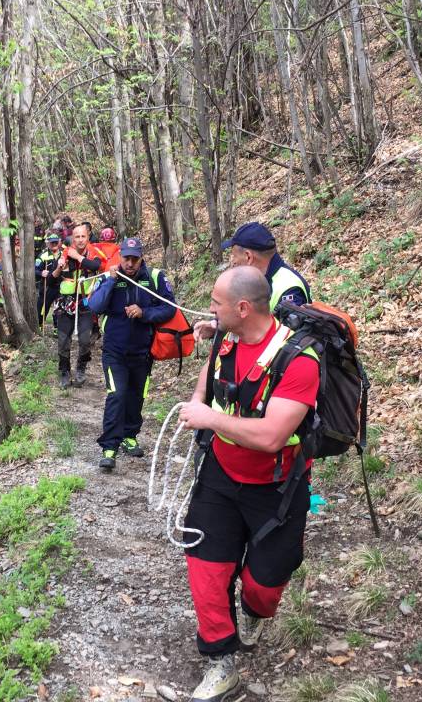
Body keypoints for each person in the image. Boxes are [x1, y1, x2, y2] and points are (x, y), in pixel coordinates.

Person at [176, 266, 319, 702]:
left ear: (242, 308)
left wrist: (210, 418)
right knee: (205, 567)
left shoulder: (299, 360)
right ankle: (220, 663)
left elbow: (272, 436)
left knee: (264, 585)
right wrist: (198, 403)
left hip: (277, 487)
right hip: (220, 475)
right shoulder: (226, 338)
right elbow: (209, 378)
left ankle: (255, 611)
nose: (209, 310)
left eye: (216, 303)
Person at [87, 237, 175, 471]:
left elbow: (169, 308)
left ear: (141, 258)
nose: (130, 263)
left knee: (136, 396)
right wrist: (111, 282)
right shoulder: (109, 277)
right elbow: (94, 306)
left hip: (143, 351)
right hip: (114, 352)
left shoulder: (155, 277)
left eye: (135, 259)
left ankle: (129, 435)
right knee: (116, 395)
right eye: (126, 258)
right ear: (120, 256)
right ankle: (109, 447)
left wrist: (144, 312)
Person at [193, 222, 311, 344]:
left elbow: (288, 343)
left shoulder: (289, 287)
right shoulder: (254, 281)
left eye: (234, 256)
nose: (232, 262)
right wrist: (216, 326)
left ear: (248, 257)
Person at [52, 223, 104, 388]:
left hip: (85, 304)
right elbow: (53, 277)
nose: (80, 240)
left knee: (85, 340)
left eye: (83, 236)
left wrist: (78, 257)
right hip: (65, 304)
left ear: (88, 237)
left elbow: (96, 266)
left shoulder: (93, 252)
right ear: (72, 239)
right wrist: (60, 266)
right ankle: (64, 372)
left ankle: (81, 368)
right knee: (63, 341)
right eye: (77, 237)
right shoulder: (64, 253)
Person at [35, 233, 62, 328]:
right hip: (47, 286)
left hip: (60, 286)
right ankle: (39, 325)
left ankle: (57, 327)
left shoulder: (64, 254)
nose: (54, 244)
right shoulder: (43, 255)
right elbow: (35, 269)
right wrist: (41, 273)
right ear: (48, 243)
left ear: (59, 243)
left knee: (59, 308)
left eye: (56, 242)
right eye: (52, 243)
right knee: (42, 307)